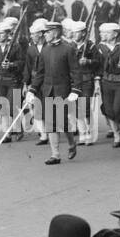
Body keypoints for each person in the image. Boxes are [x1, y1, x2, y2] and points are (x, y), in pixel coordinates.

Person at [27, 20, 79, 164]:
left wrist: (75, 90)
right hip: (48, 91)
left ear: (56, 32)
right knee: (50, 122)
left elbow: (75, 72)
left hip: (63, 91)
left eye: (47, 32)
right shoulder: (45, 50)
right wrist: (32, 90)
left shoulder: (68, 49)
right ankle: (55, 154)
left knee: (62, 122)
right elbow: (40, 73)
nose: (45, 35)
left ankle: (71, 143)